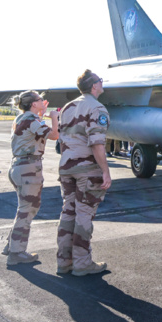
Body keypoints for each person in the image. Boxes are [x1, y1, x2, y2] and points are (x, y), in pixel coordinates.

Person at [57, 70, 112, 276]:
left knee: (68, 212)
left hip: (67, 167)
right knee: (84, 214)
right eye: (100, 80)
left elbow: (63, 139)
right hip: (87, 169)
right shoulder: (97, 108)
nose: (102, 82)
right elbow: (97, 144)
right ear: (94, 86)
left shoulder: (69, 107)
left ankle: (64, 262)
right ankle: (82, 263)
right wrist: (105, 171)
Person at [5, 90, 60, 266]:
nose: (43, 101)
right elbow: (54, 135)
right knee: (27, 210)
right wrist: (54, 118)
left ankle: (12, 245)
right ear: (33, 104)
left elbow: (35, 130)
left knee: (26, 208)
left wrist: (41, 114)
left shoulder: (22, 118)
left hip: (20, 167)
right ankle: (17, 253)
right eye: (40, 100)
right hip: (28, 168)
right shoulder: (31, 120)